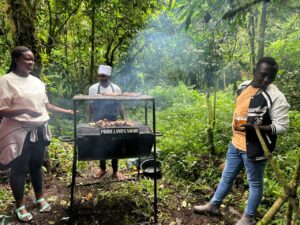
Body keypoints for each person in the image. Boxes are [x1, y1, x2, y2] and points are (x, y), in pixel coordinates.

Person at [193, 57, 290, 225]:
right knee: (227, 177)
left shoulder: (276, 96)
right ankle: (214, 205)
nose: (266, 80)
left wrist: (258, 128)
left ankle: (248, 218)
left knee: (254, 183)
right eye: (263, 75)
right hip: (235, 143)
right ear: (254, 72)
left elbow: (282, 126)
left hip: (256, 147)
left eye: (271, 76)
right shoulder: (243, 87)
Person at [0, 46, 74, 222]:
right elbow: (2, 110)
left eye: (32, 59)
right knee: (19, 169)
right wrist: (26, 109)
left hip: (40, 130)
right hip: (20, 132)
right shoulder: (6, 80)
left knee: (36, 166)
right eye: (26, 59)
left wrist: (67, 111)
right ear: (16, 60)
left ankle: (39, 197)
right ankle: (20, 205)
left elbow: (46, 106)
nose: (31, 62)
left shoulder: (37, 81)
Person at [88, 64, 125, 180]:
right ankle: (102, 169)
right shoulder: (93, 88)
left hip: (113, 120)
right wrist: (89, 120)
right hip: (98, 120)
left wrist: (123, 119)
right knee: (101, 144)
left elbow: (120, 104)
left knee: (115, 144)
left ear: (109, 76)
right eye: (99, 76)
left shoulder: (116, 88)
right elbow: (89, 105)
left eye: (103, 76)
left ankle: (115, 171)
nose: (101, 78)